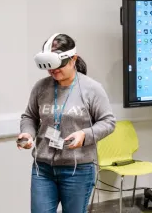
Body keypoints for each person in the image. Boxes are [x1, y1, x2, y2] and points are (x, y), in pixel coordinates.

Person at [17, 33, 116, 213]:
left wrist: (84, 135)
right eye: (49, 68)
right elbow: (29, 117)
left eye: (57, 66)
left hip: (77, 170)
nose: (53, 71)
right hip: (43, 169)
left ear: (73, 59)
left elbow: (108, 122)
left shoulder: (92, 89)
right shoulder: (41, 87)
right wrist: (27, 133)